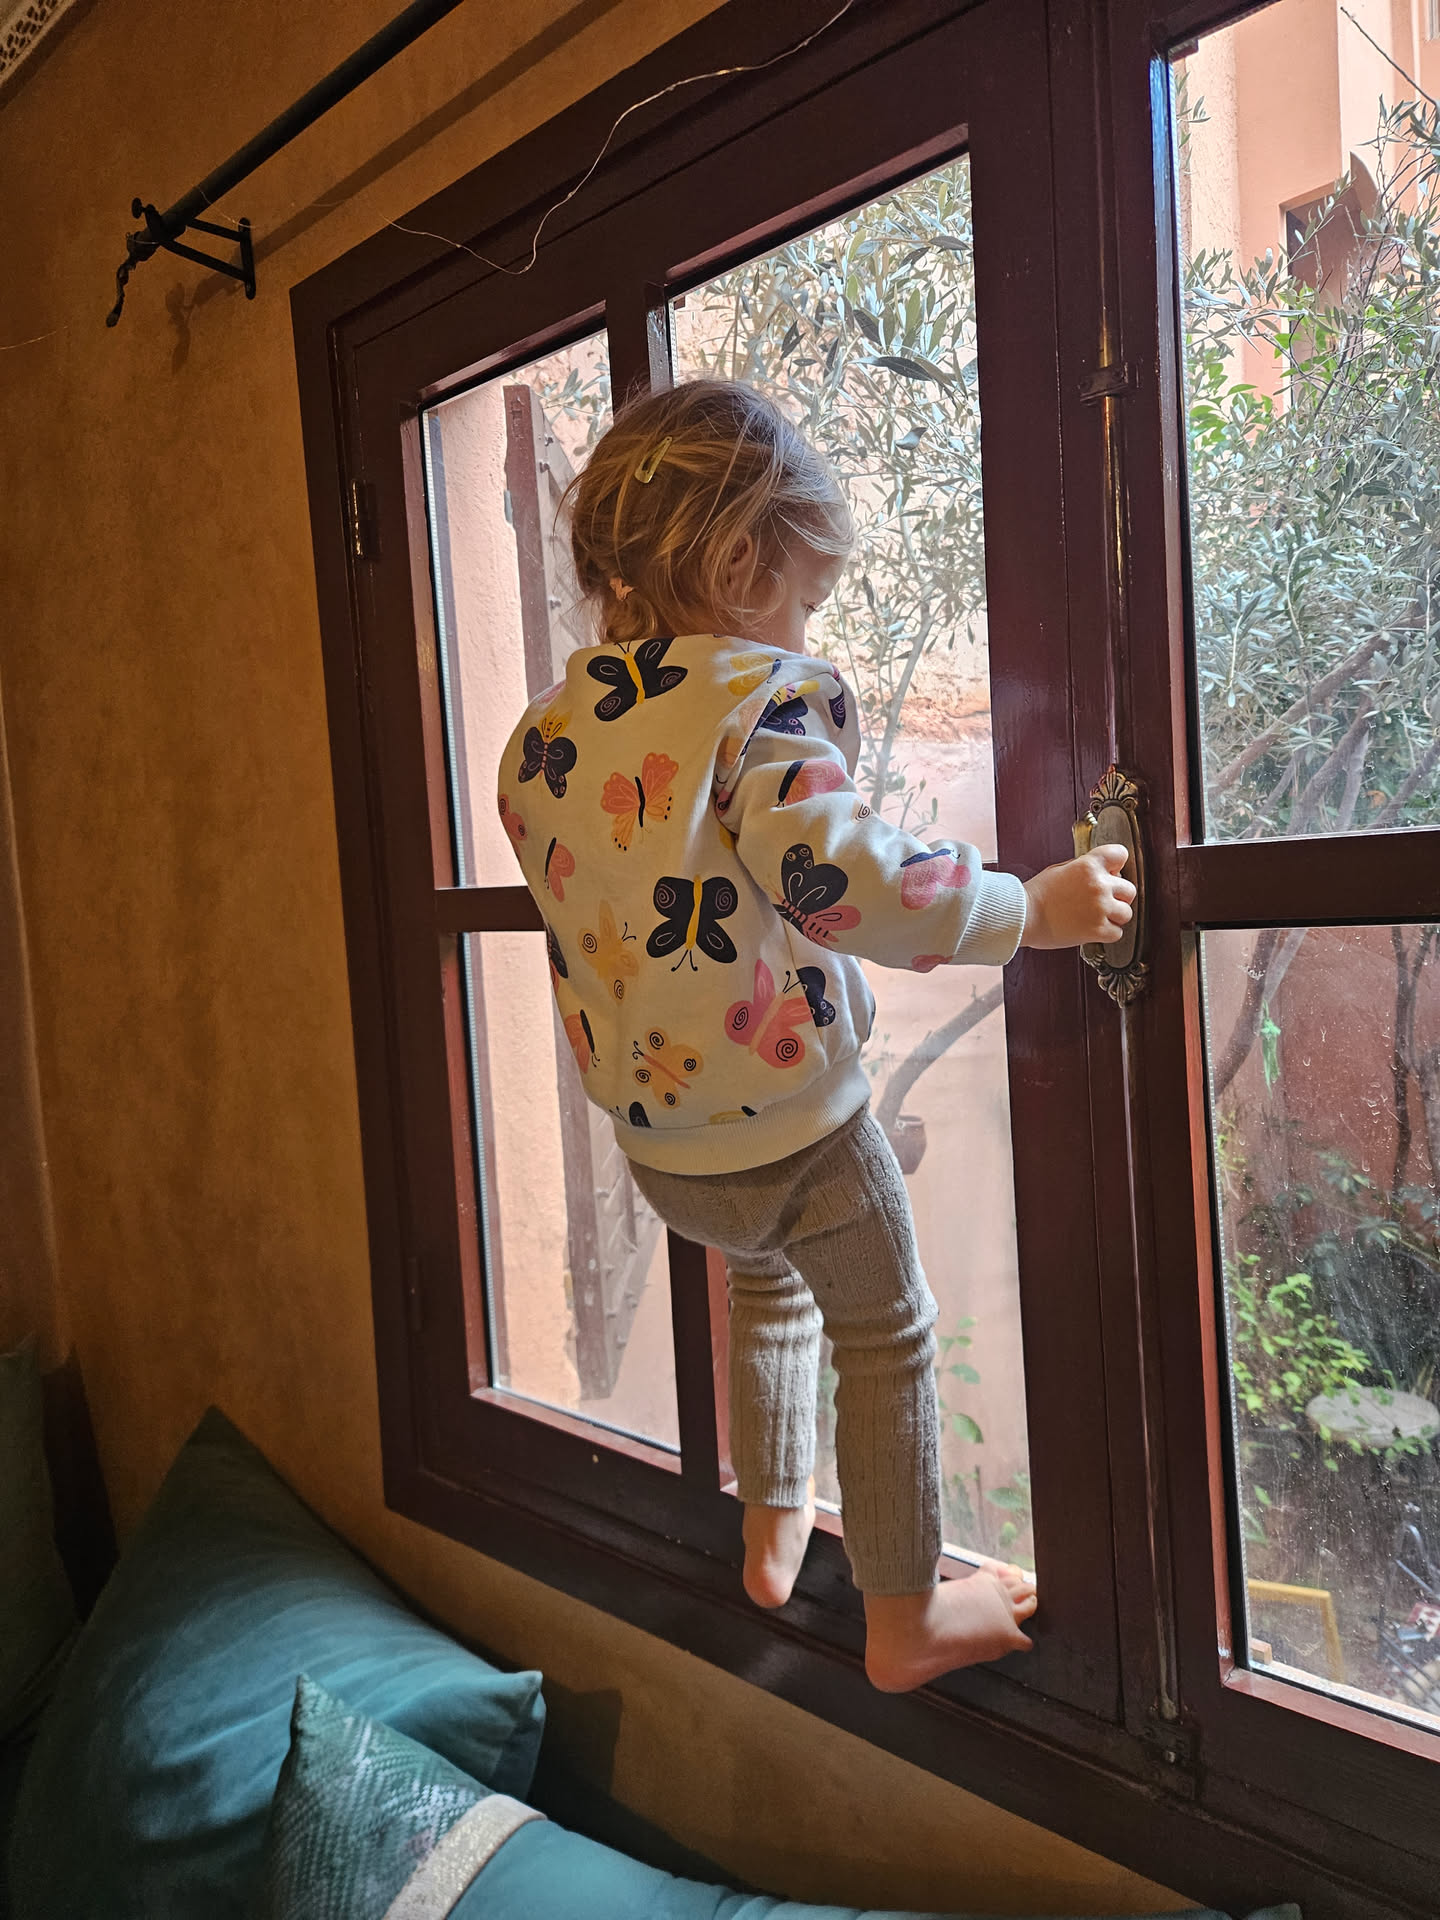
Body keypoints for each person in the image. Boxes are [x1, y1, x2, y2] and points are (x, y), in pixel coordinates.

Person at [497, 378, 1133, 1691]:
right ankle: (905, 1619)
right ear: (742, 567)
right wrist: (1027, 909)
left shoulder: (545, 737)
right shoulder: (756, 702)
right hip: (800, 1135)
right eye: (802, 595)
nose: (803, 626)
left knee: (764, 1282)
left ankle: (773, 1526)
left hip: (662, 1151)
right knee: (887, 1335)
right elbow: (846, 882)